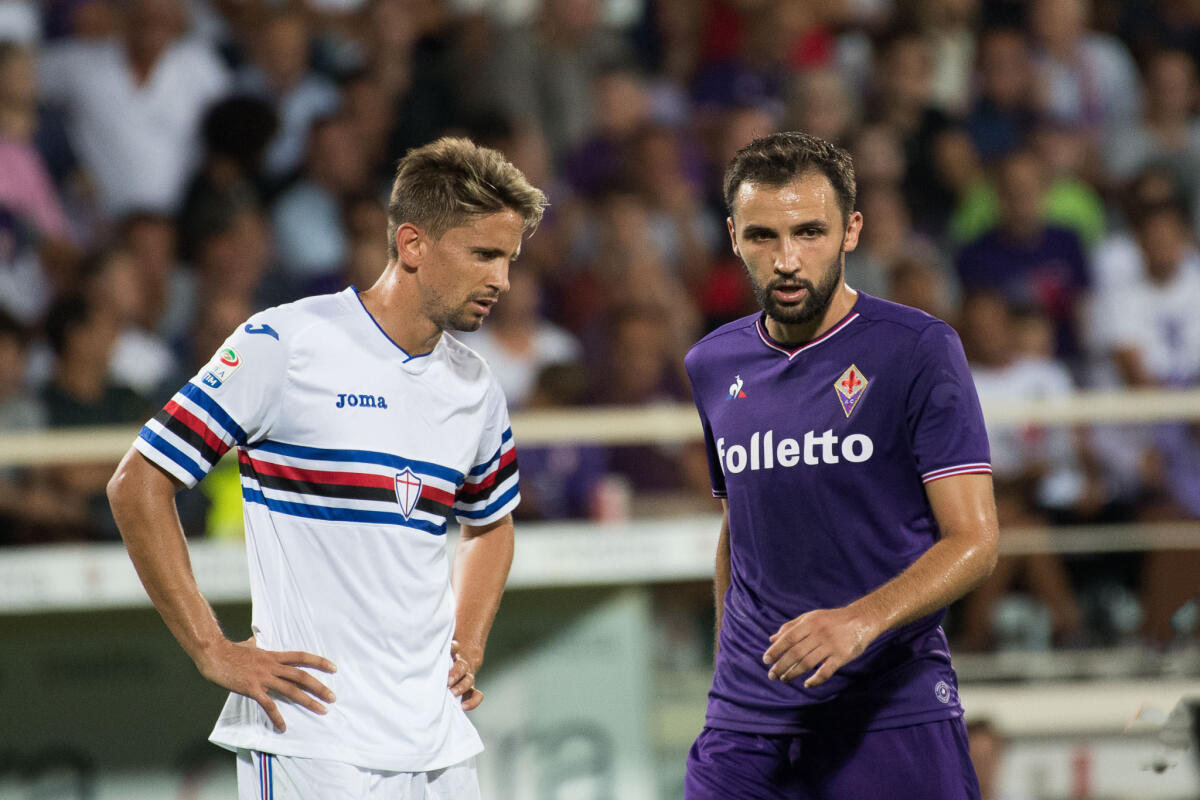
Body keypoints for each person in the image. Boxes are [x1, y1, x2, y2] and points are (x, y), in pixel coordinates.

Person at [106, 137, 547, 799]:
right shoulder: (286, 342)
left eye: (509, 260)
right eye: (484, 254)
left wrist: (469, 641)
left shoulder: (474, 385)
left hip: (440, 744)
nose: (502, 280)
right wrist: (211, 649)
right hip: (312, 736)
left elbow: (490, 523)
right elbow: (138, 483)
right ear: (412, 243)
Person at [683, 131, 999, 799]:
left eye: (809, 232)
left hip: (888, 710)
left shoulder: (917, 350)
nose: (788, 259)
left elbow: (975, 541)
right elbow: (736, 530)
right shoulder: (712, 365)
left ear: (852, 230)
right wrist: (727, 674)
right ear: (734, 236)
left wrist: (859, 621)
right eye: (763, 236)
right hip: (745, 724)